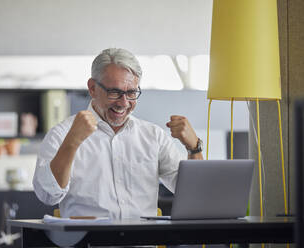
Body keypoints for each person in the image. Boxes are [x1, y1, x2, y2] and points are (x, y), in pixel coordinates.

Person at [33, 48, 203, 219]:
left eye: (131, 93)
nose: (123, 103)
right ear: (92, 88)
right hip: (90, 242)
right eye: (114, 92)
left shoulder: (153, 136)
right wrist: (71, 143)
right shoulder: (62, 134)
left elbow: (195, 196)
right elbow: (48, 195)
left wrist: (194, 148)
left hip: (142, 242)